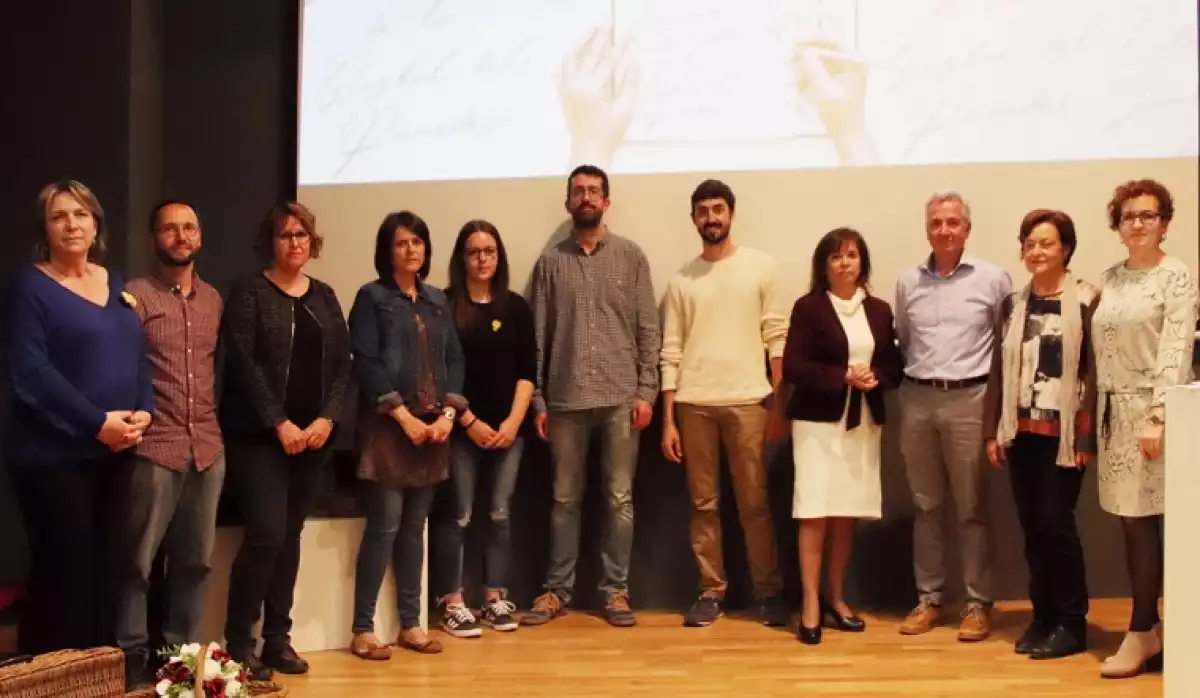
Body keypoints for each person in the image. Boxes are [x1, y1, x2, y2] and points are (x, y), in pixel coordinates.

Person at [4, 180, 152, 655]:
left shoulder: (115, 282)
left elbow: (137, 356)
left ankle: (96, 677)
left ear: (96, 224)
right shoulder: (30, 286)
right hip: (53, 458)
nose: (72, 224)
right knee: (65, 574)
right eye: (59, 216)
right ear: (44, 229)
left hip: (117, 453)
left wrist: (144, 411)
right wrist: (95, 422)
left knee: (107, 572)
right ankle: (48, 678)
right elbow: (30, 373)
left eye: (81, 214)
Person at [522, 164, 661, 628]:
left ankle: (615, 591)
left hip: (622, 398)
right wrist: (538, 400)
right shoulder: (549, 262)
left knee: (619, 499)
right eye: (578, 191)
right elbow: (537, 336)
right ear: (568, 203)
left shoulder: (631, 257)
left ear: (606, 202)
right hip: (564, 399)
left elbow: (648, 329)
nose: (586, 197)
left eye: (594, 191)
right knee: (564, 500)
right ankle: (557, 591)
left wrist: (647, 391)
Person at [220, 201, 352, 678]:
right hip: (260, 438)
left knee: (289, 537)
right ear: (269, 242)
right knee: (267, 536)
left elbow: (343, 365)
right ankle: (239, 644)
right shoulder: (249, 292)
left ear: (311, 243)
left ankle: (277, 638)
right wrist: (280, 423)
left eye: (301, 235)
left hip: (313, 440)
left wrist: (327, 420)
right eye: (284, 235)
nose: (294, 243)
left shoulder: (326, 296)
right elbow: (244, 365)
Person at [658, 179, 789, 628]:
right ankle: (711, 590)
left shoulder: (761, 267)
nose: (711, 217)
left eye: (718, 209)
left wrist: (778, 400)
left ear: (731, 213)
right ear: (693, 218)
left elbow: (776, 335)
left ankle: (768, 593)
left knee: (755, 504)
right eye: (703, 210)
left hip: (750, 400)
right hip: (694, 404)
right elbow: (670, 349)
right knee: (703, 505)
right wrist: (668, 420)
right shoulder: (681, 280)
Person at [348, 211, 469, 659]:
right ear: (387, 250)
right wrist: (403, 417)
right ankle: (363, 629)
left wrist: (447, 418)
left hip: (434, 430)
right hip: (389, 429)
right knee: (384, 526)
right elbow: (366, 360)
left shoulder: (437, 300)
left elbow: (455, 360)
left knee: (415, 529)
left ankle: (411, 624)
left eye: (418, 242)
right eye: (402, 243)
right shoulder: (372, 297)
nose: (411, 250)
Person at [118, 201, 226, 689]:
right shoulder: (132, 297)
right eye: (169, 228)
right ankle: (131, 658)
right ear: (153, 238)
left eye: (188, 228)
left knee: (196, 563)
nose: (180, 236)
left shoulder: (214, 300)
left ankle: (178, 663)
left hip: (206, 448)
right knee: (137, 563)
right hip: (153, 447)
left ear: (199, 237)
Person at [894, 191, 1012, 641]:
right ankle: (929, 599)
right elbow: (904, 338)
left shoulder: (993, 279)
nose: (944, 229)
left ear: (967, 228)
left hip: (971, 400)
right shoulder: (908, 282)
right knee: (926, 506)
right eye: (936, 222)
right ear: (928, 228)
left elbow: (1005, 346)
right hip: (918, 398)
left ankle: (978, 604)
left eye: (953, 222)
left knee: (972, 508)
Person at [1092, 179, 1197, 678]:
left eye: (1147, 215)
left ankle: (1148, 631)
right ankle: (1147, 628)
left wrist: (1160, 415)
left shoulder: (1174, 276)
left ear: (1165, 223)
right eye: (1128, 216)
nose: (1137, 223)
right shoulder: (1110, 278)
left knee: (1164, 526)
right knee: (1132, 523)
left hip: (1157, 416)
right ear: (1117, 225)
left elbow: (1176, 349)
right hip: (1115, 415)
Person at [982, 209, 1098, 660]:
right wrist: (994, 431)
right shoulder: (1013, 303)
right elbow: (998, 370)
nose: (1036, 251)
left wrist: (1085, 438)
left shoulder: (1089, 300)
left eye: (1046, 243)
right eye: (1030, 244)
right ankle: (1044, 616)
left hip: (1064, 437)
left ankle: (1072, 623)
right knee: (1033, 529)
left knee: (1058, 527)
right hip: (1021, 432)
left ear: (1066, 248)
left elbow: (1094, 372)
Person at [783, 228, 902, 645]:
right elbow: (794, 368)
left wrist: (874, 377)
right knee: (815, 510)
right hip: (818, 423)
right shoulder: (809, 307)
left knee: (846, 511)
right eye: (836, 257)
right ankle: (811, 602)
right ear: (823, 265)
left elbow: (894, 367)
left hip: (863, 422)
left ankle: (837, 597)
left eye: (852, 255)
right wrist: (841, 376)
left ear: (862, 263)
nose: (844, 263)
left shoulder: (880, 309)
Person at [430, 220, 536, 638]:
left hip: (509, 431)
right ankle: (452, 602)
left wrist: (512, 422)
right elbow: (438, 374)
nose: (483, 258)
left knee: (499, 513)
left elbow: (528, 372)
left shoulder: (515, 307)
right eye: (474, 251)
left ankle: (494, 597)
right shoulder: (444, 305)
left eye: (490, 250)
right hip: (460, 430)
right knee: (459, 515)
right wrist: (470, 422)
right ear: (462, 258)